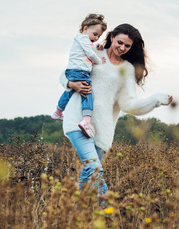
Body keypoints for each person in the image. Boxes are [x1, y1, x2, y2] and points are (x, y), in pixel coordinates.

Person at [59, 23, 173, 197]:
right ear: (112, 37)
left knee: (88, 178)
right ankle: (110, 213)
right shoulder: (93, 52)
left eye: (127, 46)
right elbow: (65, 73)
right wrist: (71, 84)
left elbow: (128, 105)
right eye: (119, 42)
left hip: (103, 130)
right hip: (78, 118)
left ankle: (74, 215)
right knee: (94, 169)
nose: (122, 48)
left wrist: (155, 100)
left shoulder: (126, 69)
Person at [52, 14, 107, 138]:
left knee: (69, 91)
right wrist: (99, 60)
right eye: (95, 34)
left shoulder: (83, 40)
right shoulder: (83, 39)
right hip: (80, 71)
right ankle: (86, 121)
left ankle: (58, 111)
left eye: (99, 36)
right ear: (85, 29)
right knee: (88, 93)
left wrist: (96, 46)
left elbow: (89, 48)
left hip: (73, 71)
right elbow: (90, 54)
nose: (96, 38)